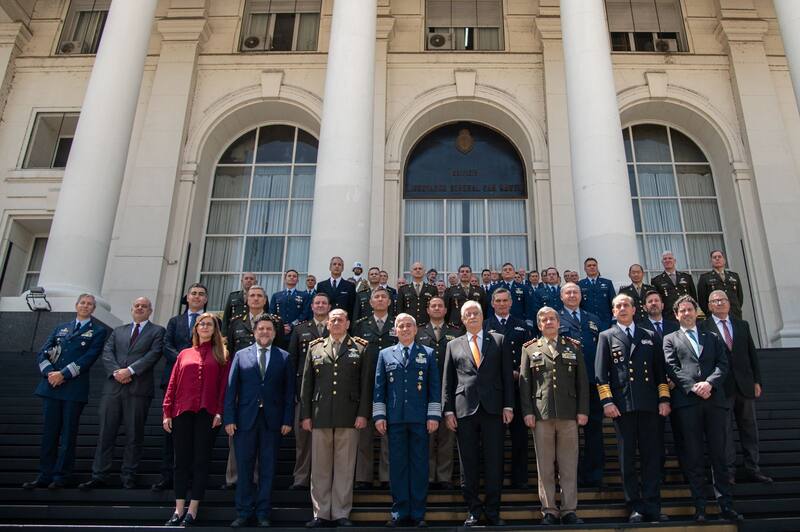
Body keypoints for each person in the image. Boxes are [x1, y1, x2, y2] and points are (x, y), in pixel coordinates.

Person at [663, 295, 742, 522]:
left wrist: (709, 383)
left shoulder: (712, 336)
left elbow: (723, 364)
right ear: (676, 315)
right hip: (688, 403)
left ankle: (725, 504)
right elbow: (671, 367)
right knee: (694, 455)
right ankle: (700, 506)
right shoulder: (670, 339)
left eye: (690, 309)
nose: (687, 313)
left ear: (696, 312)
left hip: (714, 400)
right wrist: (693, 386)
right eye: (682, 311)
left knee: (719, 454)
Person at [596, 294, 671, 523]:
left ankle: (652, 505)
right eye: (618, 306)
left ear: (634, 309)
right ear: (613, 311)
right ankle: (635, 506)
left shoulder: (648, 336)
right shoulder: (606, 336)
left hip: (649, 405)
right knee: (627, 459)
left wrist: (664, 399)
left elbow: (660, 372)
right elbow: (601, 374)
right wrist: (607, 402)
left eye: (626, 305)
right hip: (622, 406)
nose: (622, 308)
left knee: (651, 457)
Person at [24, 294, 108, 490]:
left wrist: (63, 374)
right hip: (51, 387)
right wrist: (49, 373)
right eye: (82, 303)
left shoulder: (97, 331)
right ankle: (45, 475)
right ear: (76, 305)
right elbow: (43, 352)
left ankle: (62, 475)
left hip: (73, 388)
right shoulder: (61, 328)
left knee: (68, 435)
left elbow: (89, 357)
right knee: (49, 434)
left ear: (93, 309)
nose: (85, 306)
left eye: (89, 304)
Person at [80, 297, 165, 490]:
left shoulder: (157, 331)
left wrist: (131, 371)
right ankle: (99, 474)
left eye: (144, 306)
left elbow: (153, 354)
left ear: (150, 311)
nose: (140, 308)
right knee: (105, 433)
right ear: (131, 309)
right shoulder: (119, 331)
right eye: (137, 306)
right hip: (113, 388)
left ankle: (128, 475)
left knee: (134, 435)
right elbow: (107, 352)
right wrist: (117, 372)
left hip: (138, 389)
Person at [442, 300, 513, 527]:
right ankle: (473, 510)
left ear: (482, 316)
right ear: (462, 319)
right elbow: (448, 380)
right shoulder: (453, 345)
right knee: (468, 463)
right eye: (467, 314)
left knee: (494, 461)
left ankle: (493, 511)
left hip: (493, 408)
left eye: (476, 313)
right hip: (464, 409)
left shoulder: (498, 340)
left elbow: (506, 377)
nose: (472, 317)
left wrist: (509, 405)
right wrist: (448, 410)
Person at [300, 309, 372, 528]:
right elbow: (307, 385)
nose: (337, 322)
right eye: (333, 320)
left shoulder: (361, 347)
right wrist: (305, 415)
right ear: (328, 324)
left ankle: (341, 512)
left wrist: (362, 414)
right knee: (320, 466)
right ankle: (320, 513)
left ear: (348, 323)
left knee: (345, 466)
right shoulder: (315, 347)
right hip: (320, 414)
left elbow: (366, 384)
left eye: (341, 319)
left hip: (349, 415)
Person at [519, 307, 589, 526]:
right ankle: (549, 510)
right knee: (545, 466)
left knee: (569, 465)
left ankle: (569, 510)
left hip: (568, 413)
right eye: (543, 320)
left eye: (552, 319)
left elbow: (582, 382)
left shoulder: (573, 346)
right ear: (539, 325)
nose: (548, 322)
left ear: (559, 323)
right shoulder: (530, 349)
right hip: (542, 414)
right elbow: (524, 383)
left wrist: (583, 410)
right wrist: (528, 411)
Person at [226, 316, 295, 528]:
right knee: (244, 467)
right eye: (261, 329)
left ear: (274, 333)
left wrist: (287, 419)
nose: (264, 332)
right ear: (254, 332)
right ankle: (244, 511)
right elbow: (231, 390)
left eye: (269, 329)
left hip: (272, 422)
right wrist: (229, 418)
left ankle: (263, 512)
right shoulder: (240, 355)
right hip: (245, 420)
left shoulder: (284, 357)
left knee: (268, 468)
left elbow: (289, 392)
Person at [161, 312, 229, 527]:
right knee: (180, 461)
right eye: (202, 324)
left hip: (207, 413)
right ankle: (179, 508)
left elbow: (224, 387)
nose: (205, 327)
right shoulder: (184, 354)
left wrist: (220, 411)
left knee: (200, 460)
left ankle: (193, 508)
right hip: (182, 411)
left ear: (215, 329)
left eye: (209, 324)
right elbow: (172, 383)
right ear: (196, 328)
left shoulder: (222, 354)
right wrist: (166, 412)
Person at [373, 314, 441, 527]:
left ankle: (418, 513)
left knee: (420, 466)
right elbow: (379, 387)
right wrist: (379, 415)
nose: (405, 329)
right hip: (395, 419)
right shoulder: (385, 354)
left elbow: (434, 387)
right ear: (395, 330)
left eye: (409, 325)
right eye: (401, 326)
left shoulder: (428, 353)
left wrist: (433, 415)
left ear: (416, 329)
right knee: (398, 467)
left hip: (420, 419)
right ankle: (400, 512)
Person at [700, 290, 771, 484]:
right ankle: (728, 471)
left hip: (745, 384)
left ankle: (753, 467)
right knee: (723, 431)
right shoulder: (703, 327)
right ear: (709, 305)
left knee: (749, 428)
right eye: (715, 301)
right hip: (721, 387)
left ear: (729, 303)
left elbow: (752, 355)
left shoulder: (742, 325)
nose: (720, 303)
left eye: (722, 299)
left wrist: (757, 380)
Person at [153, 283, 208, 492]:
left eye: (201, 294)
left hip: (201, 384)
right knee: (171, 432)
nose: (197, 297)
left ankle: (193, 476)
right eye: (193, 293)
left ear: (205, 299)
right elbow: (166, 344)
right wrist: (185, 360)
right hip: (175, 379)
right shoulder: (175, 321)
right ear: (187, 297)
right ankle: (168, 475)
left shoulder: (212, 321)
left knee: (197, 432)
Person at [484, 288, 535, 489]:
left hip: (516, 387)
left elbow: (530, 355)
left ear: (511, 303)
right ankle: (493, 478)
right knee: (493, 439)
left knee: (520, 437)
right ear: (492, 303)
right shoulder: (486, 326)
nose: (502, 304)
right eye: (498, 301)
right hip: (494, 390)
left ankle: (520, 478)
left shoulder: (522, 326)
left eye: (506, 301)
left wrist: (518, 372)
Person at [558, 283, 604, 490]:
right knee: (567, 434)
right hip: (567, 384)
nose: (572, 295)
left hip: (592, 382)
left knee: (594, 431)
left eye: (575, 292)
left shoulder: (593, 318)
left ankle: (593, 475)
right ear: (561, 297)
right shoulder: (554, 318)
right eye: (568, 292)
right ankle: (570, 477)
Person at [415, 296, 463, 489]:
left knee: (446, 434)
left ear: (445, 310)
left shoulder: (456, 332)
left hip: (448, 388)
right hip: (423, 390)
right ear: (428, 310)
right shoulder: (418, 331)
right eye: (433, 306)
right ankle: (426, 475)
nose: (436, 308)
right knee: (425, 436)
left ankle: (444, 477)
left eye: (440, 306)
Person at [352, 288, 396, 489]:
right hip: (365, 381)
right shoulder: (360, 326)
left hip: (392, 381)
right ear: (370, 303)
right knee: (365, 431)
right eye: (376, 297)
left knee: (389, 430)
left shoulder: (397, 324)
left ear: (389, 302)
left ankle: (387, 476)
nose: (380, 300)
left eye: (383, 297)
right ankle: (363, 476)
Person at [287, 292, 331, 490]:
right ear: (312, 306)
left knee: (327, 441)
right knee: (303, 439)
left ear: (329, 307)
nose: (320, 305)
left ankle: (322, 480)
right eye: (317, 303)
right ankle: (301, 478)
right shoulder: (300, 329)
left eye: (324, 303)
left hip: (329, 393)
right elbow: (292, 362)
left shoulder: (335, 327)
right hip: (303, 393)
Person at [269, 269, 311, 349]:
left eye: (294, 276)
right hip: (279, 332)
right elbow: (272, 313)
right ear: (285, 279)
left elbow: (305, 313)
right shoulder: (276, 295)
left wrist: (291, 325)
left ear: (297, 280)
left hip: (297, 331)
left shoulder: (304, 296)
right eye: (289, 276)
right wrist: (281, 327)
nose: (292, 277)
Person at [697, 250, 745, 319]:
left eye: (719, 257)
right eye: (714, 257)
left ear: (724, 260)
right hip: (715, 316)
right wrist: (710, 313)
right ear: (711, 261)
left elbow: (740, 298)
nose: (717, 259)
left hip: (735, 315)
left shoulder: (734, 276)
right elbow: (702, 301)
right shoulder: (705, 278)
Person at [651, 252, 696, 320]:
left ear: (674, 261)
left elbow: (693, 297)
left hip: (686, 313)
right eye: (665, 259)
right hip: (668, 316)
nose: (667, 260)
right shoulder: (656, 280)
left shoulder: (686, 277)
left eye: (670, 258)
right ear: (662, 262)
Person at [492, 262, 540, 326]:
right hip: (500, 322)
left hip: (519, 322)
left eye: (510, 269)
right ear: (502, 274)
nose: (507, 271)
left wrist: (529, 324)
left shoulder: (523, 288)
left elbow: (528, 307)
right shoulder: (495, 288)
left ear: (514, 273)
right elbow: (491, 308)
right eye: (505, 270)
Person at [397, 261, 438, 326]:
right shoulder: (403, 289)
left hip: (427, 325)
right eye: (415, 269)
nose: (418, 270)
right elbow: (400, 310)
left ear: (424, 272)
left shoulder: (432, 289)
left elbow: (435, 308)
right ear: (411, 272)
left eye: (420, 269)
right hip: (408, 325)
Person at [578, 257, 615, 329]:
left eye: (594, 265)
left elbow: (614, 303)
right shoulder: (580, 284)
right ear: (585, 269)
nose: (592, 267)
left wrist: (614, 321)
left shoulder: (607, 283)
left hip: (606, 322)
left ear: (597, 267)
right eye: (589, 266)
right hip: (588, 323)